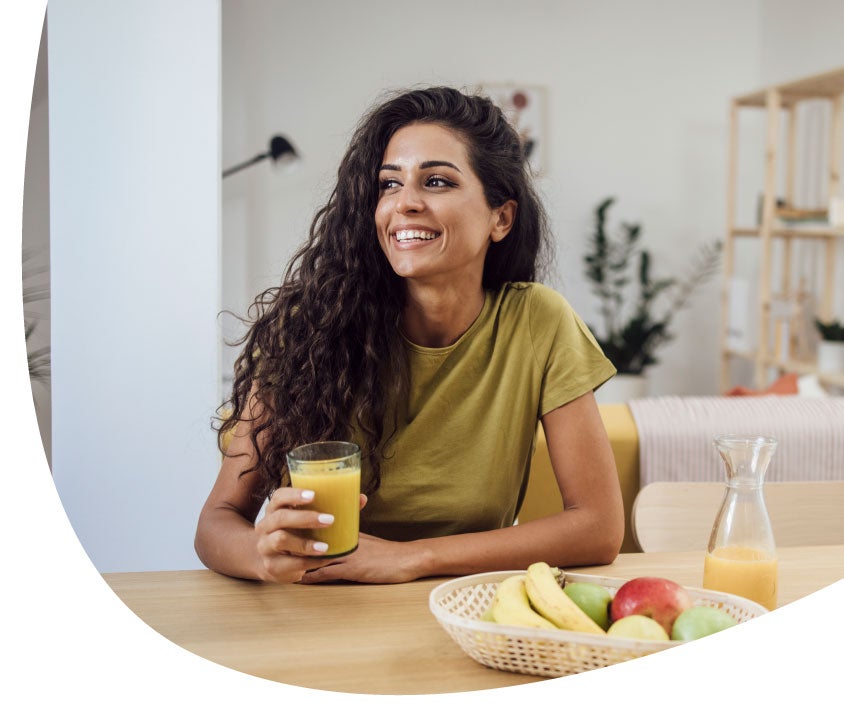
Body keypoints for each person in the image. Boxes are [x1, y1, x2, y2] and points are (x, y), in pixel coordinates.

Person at [195, 86, 624, 585]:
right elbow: (215, 524)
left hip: (462, 605)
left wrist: (412, 558)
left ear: (500, 218)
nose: (405, 204)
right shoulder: (306, 328)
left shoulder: (536, 323)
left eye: (437, 181)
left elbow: (599, 527)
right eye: (389, 184)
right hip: (316, 608)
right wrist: (261, 553)